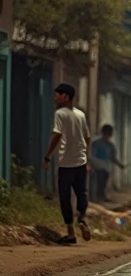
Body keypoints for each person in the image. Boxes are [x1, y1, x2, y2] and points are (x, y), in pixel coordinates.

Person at [42, 83, 92, 245]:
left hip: (66, 164)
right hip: (80, 162)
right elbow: (88, 138)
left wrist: (48, 155)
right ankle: (82, 218)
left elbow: (56, 135)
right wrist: (86, 158)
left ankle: (71, 233)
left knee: (65, 198)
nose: (55, 98)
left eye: (58, 95)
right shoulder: (81, 115)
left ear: (66, 97)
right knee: (82, 193)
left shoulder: (60, 114)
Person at [90, 125, 126, 203]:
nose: (107, 137)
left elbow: (113, 158)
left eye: (109, 136)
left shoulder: (111, 146)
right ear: (102, 134)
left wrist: (120, 165)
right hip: (96, 167)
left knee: (104, 182)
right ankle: (96, 197)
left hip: (106, 168)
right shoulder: (96, 144)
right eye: (106, 135)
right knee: (98, 181)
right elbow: (91, 155)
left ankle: (101, 196)